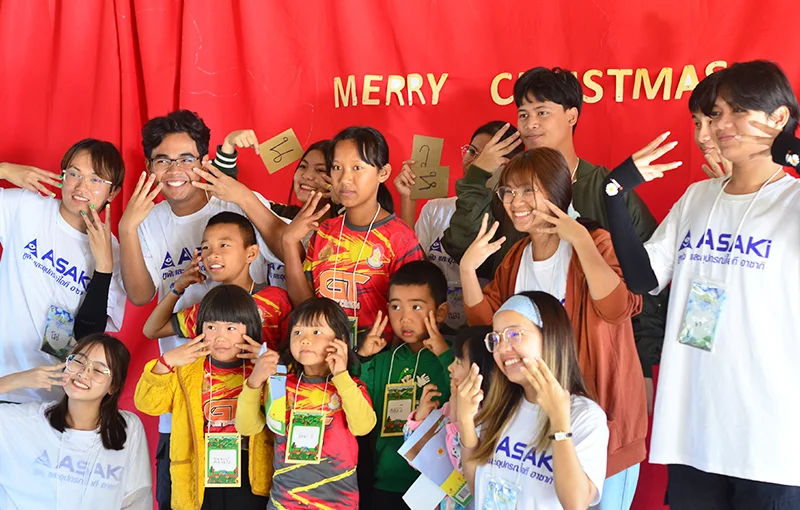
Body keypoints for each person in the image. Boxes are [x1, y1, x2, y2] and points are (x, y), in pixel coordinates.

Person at [602, 60, 800, 509]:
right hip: (694, 429)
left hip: (771, 442)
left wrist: (788, 151)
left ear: (779, 118)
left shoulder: (792, 202)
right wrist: (614, 192)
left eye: (736, 112)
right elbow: (643, 278)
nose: (719, 127)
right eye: (713, 115)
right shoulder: (697, 197)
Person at [443, 67, 667, 398]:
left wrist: (644, 362)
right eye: (523, 114)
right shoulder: (511, 196)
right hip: (518, 377)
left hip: (595, 371)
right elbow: (465, 247)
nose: (530, 123)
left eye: (542, 112)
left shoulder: (606, 189)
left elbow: (646, 281)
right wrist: (477, 177)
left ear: (571, 115)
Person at [460, 147, 646, 508]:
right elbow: (489, 331)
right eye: (508, 191)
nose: (516, 202)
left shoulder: (596, 242)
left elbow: (619, 308)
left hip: (600, 416)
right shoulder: (516, 257)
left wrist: (581, 239)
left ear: (559, 189)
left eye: (528, 190)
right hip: (536, 422)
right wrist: (467, 270)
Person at [118, 111, 286, 509]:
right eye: (162, 160)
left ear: (204, 161)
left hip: (251, 399)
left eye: (186, 158)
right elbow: (140, 297)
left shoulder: (236, 203)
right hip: (185, 404)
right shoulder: (148, 222)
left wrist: (243, 196)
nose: (174, 169)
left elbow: (286, 248)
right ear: (150, 167)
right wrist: (127, 228)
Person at [0, 139, 126, 404]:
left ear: (113, 192)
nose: (81, 187)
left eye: (96, 180)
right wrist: (4, 169)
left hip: (56, 396)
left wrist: (103, 269)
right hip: (4, 380)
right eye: (74, 174)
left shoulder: (114, 252)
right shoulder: (26, 207)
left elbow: (88, 337)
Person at [457, 292, 609, 509]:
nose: (502, 348)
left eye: (513, 334)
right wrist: (465, 421)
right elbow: (478, 489)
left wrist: (559, 421)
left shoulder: (585, 415)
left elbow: (576, 503)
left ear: (550, 336)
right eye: (496, 339)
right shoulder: (499, 406)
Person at [135, 285, 273, 510]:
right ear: (199, 329)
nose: (220, 337)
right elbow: (148, 404)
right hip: (198, 473)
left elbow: (282, 416)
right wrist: (165, 362)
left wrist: (273, 371)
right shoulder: (187, 370)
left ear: (250, 327)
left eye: (231, 328)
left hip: (250, 476)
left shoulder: (263, 369)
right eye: (211, 327)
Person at [281, 126, 425, 341]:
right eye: (337, 167)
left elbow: (412, 316)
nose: (345, 179)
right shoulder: (324, 232)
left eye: (357, 167)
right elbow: (307, 306)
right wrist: (289, 242)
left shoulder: (400, 238)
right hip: (324, 353)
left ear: (383, 173)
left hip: (379, 357)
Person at [236, 297, 376, 509]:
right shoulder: (280, 385)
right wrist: (255, 381)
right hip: (284, 503)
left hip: (338, 503)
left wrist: (341, 376)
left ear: (340, 341)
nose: (305, 340)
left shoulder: (351, 386)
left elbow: (363, 427)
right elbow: (247, 427)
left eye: (316, 332)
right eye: (298, 332)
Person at [394, 122, 524, 328]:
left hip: (482, 326)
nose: (475, 161)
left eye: (486, 156)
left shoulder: (515, 217)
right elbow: (414, 265)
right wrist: (408, 200)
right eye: (471, 151)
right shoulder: (434, 209)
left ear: (509, 164)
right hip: (433, 327)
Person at [0, 333, 152, 509]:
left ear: (113, 386)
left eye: (98, 370)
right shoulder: (25, 421)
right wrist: (15, 380)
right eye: (79, 361)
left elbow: (137, 497)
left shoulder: (127, 428)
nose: (83, 373)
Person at [355, 260, 455, 508]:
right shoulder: (383, 361)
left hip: (436, 486)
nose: (404, 318)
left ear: (441, 312)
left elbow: (465, 392)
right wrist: (363, 358)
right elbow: (357, 403)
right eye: (396, 306)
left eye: (416, 307)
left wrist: (444, 354)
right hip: (386, 482)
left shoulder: (454, 359)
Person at [142, 212, 292, 351]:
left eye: (224, 245)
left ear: (251, 253)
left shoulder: (277, 300)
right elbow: (153, 330)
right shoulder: (208, 308)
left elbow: (293, 354)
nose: (212, 255)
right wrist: (178, 287)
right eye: (205, 247)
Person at [402, 325, 495, 510]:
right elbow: (416, 459)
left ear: (480, 371)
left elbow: (461, 466)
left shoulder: (491, 418)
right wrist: (420, 418)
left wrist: (457, 416)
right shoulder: (448, 406)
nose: (450, 368)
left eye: (459, 362)